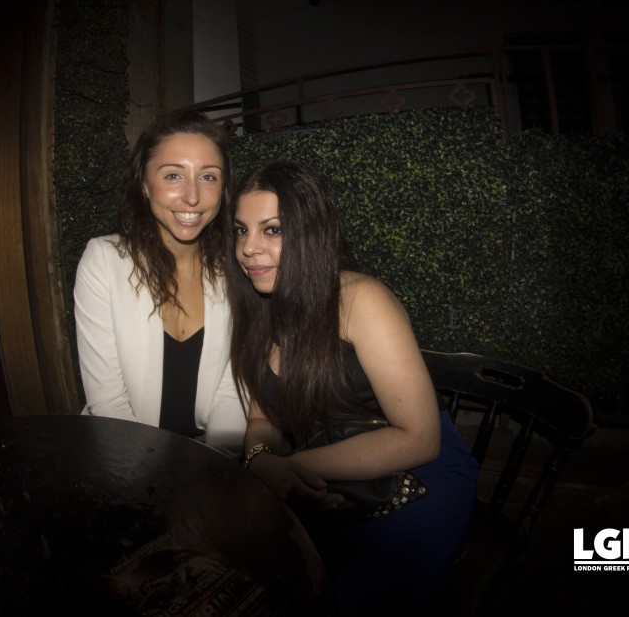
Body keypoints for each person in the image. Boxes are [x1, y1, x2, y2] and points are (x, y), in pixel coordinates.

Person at [226, 160, 479, 615]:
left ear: (312, 233)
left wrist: (290, 466)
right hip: (326, 475)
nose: (248, 248)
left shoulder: (360, 299)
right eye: (241, 230)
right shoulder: (260, 310)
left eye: (273, 230)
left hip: (419, 475)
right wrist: (262, 461)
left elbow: (419, 438)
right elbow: (261, 420)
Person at [73, 110, 246, 458]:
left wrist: (215, 469)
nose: (192, 196)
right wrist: (152, 479)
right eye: (173, 175)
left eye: (208, 177)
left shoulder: (236, 265)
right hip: (125, 454)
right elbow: (108, 401)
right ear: (144, 184)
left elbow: (232, 391)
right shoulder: (105, 261)